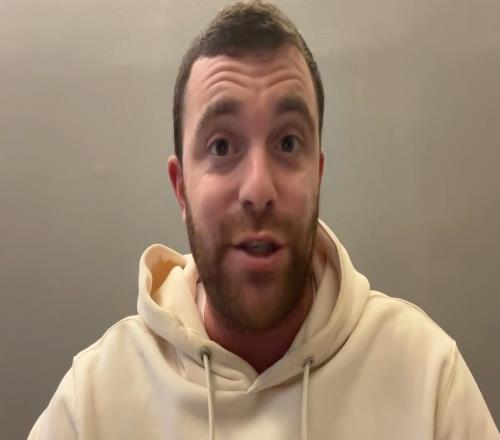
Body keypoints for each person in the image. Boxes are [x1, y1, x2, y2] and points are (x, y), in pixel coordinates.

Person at [28, 2, 499, 439]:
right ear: (181, 188)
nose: (257, 189)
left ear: (317, 173)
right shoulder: (94, 400)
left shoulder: (428, 379)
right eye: (222, 146)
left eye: (287, 143)